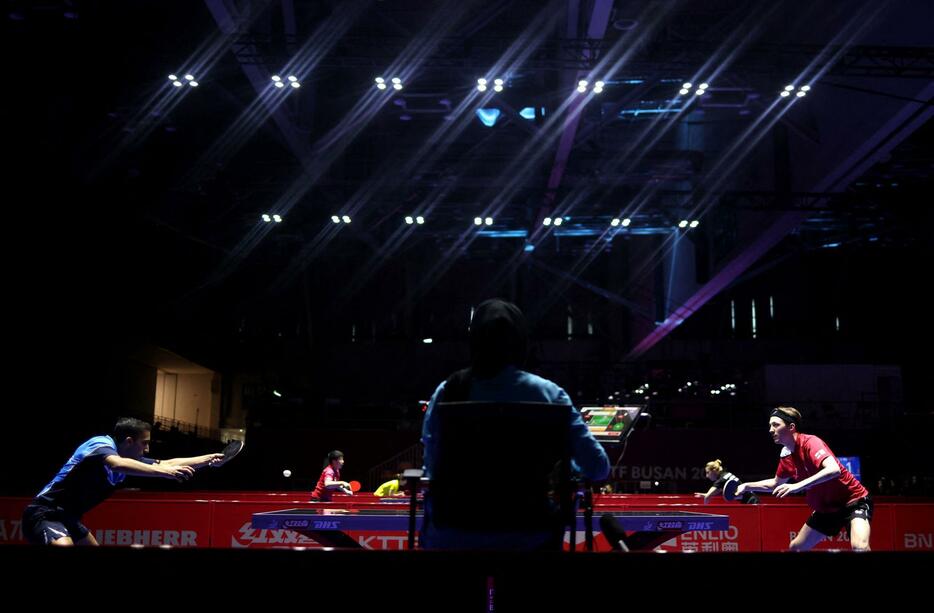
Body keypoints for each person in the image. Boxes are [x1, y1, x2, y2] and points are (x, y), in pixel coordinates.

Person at [420, 298, 610, 549]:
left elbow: (433, 466)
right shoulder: (551, 395)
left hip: (453, 535)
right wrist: (567, 466)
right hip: (530, 535)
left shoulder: (448, 391)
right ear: (521, 342)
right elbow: (598, 467)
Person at [22, 417, 223, 546]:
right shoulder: (99, 444)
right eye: (144, 443)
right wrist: (165, 473)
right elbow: (116, 464)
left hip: (69, 518)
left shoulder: (128, 457)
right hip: (44, 513)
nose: (147, 450)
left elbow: (168, 462)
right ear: (129, 441)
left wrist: (208, 459)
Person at [735, 407, 871, 551]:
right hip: (825, 509)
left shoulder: (810, 442)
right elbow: (776, 484)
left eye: (775, 425)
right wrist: (747, 486)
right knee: (796, 548)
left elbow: (833, 469)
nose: (770, 429)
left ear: (791, 427)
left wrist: (797, 486)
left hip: (853, 501)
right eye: (770, 425)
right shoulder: (786, 456)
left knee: (860, 547)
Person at [694, 459, 758, 504]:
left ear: (714, 470)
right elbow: (713, 493)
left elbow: (708, 497)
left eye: (708, 472)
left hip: (750, 502)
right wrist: (706, 495)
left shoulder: (721, 480)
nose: (707, 476)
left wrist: (704, 510)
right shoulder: (726, 475)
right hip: (752, 498)